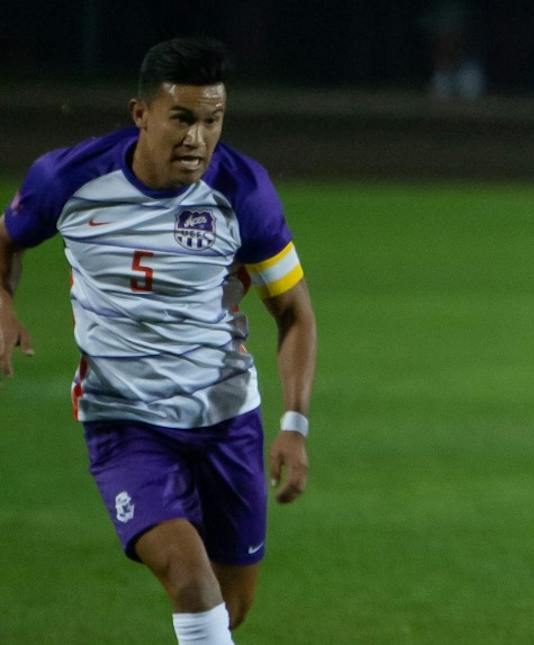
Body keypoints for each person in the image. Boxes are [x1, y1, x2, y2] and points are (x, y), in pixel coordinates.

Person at [0, 37, 318, 645]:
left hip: (228, 420)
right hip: (124, 423)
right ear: (141, 114)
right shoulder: (67, 178)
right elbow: (6, 240)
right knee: (191, 583)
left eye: (212, 121)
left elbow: (295, 315)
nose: (197, 138)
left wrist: (294, 426)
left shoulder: (243, 192)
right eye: (182, 118)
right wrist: (4, 303)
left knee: (230, 608)